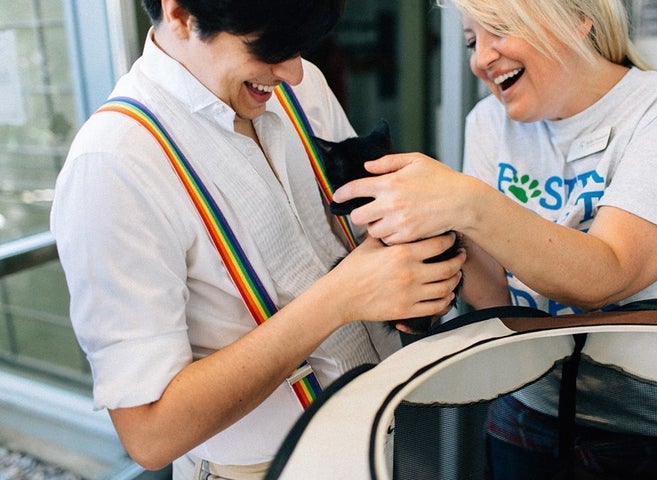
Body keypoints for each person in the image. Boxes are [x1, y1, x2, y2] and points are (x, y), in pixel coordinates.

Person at [50, 1, 464, 478]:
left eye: (297, 47)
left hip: (383, 436)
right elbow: (150, 434)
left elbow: (365, 231)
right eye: (267, 47)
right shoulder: (112, 165)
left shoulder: (297, 87)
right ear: (181, 14)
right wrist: (340, 298)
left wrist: (416, 273)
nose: (292, 71)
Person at [333, 0, 657, 477]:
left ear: (580, 18)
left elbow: (608, 273)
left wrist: (465, 202)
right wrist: (429, 233)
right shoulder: (488, 123)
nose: (481, 58)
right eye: (473, 40)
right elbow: (495, 297)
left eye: (500, 28)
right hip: (528, 412)